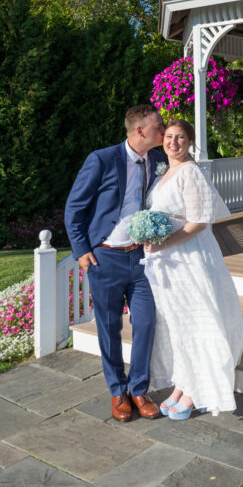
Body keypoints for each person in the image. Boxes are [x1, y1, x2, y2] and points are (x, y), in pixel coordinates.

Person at [64, 105, 165, 421]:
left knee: (146, 323)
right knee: (108, 328)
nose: (163, 130)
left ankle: (138, 389)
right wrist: (82, 251)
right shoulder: (102, 160)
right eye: (158, 126)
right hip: (105, 258)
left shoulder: (159, 161)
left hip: (142, 258)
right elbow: (74, 208)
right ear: (140, 131)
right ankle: (116, 391)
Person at [142, 118, 243, 420]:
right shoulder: (165, 170)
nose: (173, 143)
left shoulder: (190, 172)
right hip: (169, 262)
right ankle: (184, 383)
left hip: (189, 257)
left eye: (181, 138)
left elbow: (199, 222)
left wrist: (163, 243)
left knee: (197, 320)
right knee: (178, 323)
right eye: (169, 137)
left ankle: (197, 390)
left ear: (190, 142)